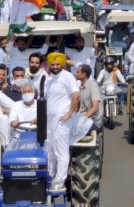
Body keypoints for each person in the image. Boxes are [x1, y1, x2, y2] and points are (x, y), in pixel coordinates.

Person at [44, 52, 89, 191]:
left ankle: (60, 180)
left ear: (62, 64)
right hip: (49, 120)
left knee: (61, 151)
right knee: (50, 149)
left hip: (62, 119)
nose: (55, 66)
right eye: (53, 64)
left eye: (58, 64)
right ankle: (50, 175)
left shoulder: (67, 76)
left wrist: (70, 112)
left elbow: (76, 95)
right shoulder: (48, 78)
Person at [75, 64, 102, 130]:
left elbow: (95, 107)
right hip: (83, 117)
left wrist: (82, 119)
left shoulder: (92, 85)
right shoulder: (80, 86)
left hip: (92, 121)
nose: (76, 74)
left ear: (84, 74)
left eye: (78, 72)